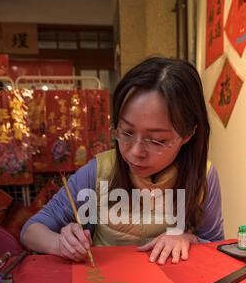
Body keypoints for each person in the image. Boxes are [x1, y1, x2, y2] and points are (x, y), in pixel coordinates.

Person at [21, 57, 224, 265]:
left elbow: (216, 244)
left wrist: (188, 238)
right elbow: (31, 230)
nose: (135, 152)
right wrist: (61, 243)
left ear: (188, 134)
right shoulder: (99, 171)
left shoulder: (203, 177)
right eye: (126, 132)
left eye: (156, 140)